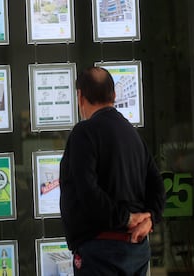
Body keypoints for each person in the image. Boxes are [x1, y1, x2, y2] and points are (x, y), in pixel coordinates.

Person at [59, 67, 165, 275]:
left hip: (100, 252)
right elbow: (158, 186)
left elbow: (87, 191)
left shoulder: (84, 133)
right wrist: (150, 218)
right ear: (114, 95)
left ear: (80, 96)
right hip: (137, 249)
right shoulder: (132, 135)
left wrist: (125, 219)